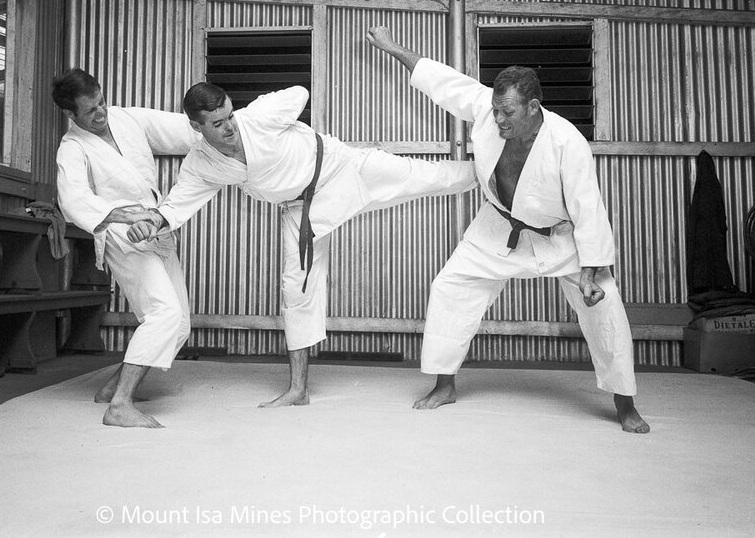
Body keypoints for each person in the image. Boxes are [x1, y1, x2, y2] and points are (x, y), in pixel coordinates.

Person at [365, 26, 650, 434]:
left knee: (606, 309)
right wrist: (393, 47)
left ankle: (626, 404)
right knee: (450, 287)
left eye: (508, 113)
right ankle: (444, 385)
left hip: (558, 236)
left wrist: (591, 270)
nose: (497, 119)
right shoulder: (488, 109)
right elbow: (440, 81)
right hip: (497, 226)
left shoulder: (567, 143)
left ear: (533, 107)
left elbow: (589, 208)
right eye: (495, 110)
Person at [139, 80, 478, 407]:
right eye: (217, 123)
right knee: (296, 289)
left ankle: (489, 173)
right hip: (301, 209)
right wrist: (154, 220)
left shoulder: (256, 117)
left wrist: (269, 108)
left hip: (340, 167)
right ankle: (298, 389)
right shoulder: (201, 164)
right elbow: (177, 203)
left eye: (229, 115)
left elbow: (299, 92)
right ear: (196, 126)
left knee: (423, 176)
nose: (229, 126)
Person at [53, 68, 199, 429]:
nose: (101, 114)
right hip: (120, 236)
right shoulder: (72, 149)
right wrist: (121, 213)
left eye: (101, 102)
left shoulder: (126, 118)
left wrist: (234, 130)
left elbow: (184, 130)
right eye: (91, 111)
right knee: (162, 314)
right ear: (71, 114)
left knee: (178, 325)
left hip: (154, 227)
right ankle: (120, 405)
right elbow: (72, 199)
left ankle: (112, 388)